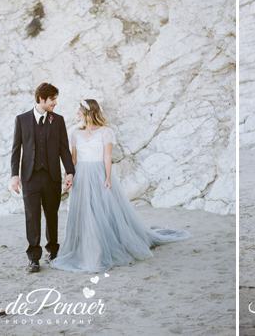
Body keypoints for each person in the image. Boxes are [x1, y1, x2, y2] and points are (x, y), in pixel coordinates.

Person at [49, 99, 190, 273]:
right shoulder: (75, 133)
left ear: (88, 112)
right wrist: (69, 176)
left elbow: (107, 157)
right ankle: (86, 248)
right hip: (81, 175)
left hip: (99, 172)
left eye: (79, 111)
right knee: (84, 211)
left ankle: (103, 247)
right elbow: (73, 159)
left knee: (102, 210)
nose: (77, 113)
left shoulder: (105, 132)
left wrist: (108, 177)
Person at [10, 83, 75, 273]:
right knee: (32, 217)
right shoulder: (21, 120)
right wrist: (14, 175)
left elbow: (64, 148)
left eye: (55, 99)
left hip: (52, 176)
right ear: (41, 99)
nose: (55, 103)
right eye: (52, 99)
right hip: (29, 177)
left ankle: (53, 251)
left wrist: (69, 172)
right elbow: (16, 150)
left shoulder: (59, 120)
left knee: (52, 215)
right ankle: (34, 258)